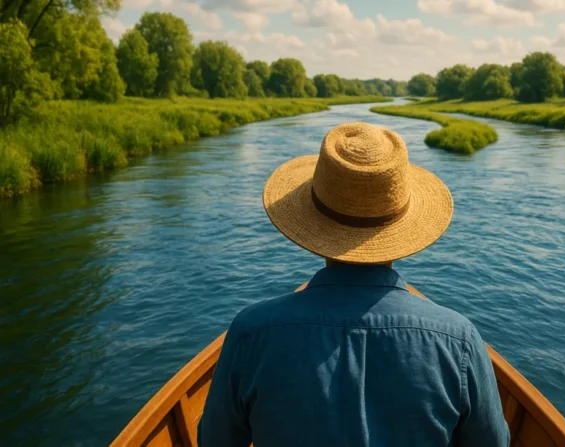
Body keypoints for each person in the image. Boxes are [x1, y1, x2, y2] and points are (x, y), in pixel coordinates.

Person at [197, 122, 509, 447]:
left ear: (314, 221)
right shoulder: (458, 338)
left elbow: (215, 441)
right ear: (401, 224)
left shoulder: (250, 331)